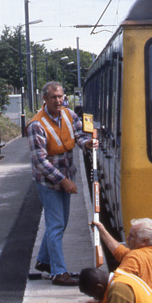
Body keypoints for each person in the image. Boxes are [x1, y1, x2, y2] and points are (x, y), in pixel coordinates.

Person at [28, 81, 95, 286]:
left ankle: (44, 260)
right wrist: (63, 180)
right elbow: (40, 161)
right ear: (45, 99)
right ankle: (58, 273)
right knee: (56, 224)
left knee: (60, 223)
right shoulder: (36, 125)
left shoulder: (69, 115)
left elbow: (79, 134)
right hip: (48, 183)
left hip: (66, 176)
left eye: (60, 97)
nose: (58, 101)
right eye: (53, 97)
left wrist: (87, 143)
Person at [92, 218, 152, 296]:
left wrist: (103, 297)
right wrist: (102, 231)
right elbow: (119, 251)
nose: (127, 238)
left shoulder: (134, 256)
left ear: (144, 241)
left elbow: (117, 285)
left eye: (132, 236)